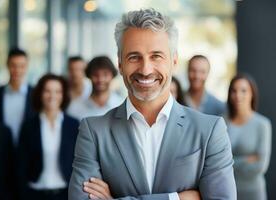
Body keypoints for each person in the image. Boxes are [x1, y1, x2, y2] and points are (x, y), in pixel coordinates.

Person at [68, 8, 236, 200]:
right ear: (120, 64)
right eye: (134, 57)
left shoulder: (210, 130)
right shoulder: (93, 131)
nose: (146, 69)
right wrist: (176, 198)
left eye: (156, 56)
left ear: (173, 60)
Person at [18, 74, 79, 200]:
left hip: (65, 194)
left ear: (63, 95)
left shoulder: (73, 125)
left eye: (57, 91)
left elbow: (79, 162)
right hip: (34, 194)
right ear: (40, 93)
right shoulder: (29, 126)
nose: (52, 96)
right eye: (47, 91)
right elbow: (21, 166)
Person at [225, 74, 271, 200]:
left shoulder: (262, 124)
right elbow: (215, 162)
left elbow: (261, 166)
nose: (238, 95)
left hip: (253, 192)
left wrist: (229, 163)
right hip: (226, 190)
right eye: (234, 91)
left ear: (252, 94)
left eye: (244, 91)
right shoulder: (221, 121)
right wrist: (246, 160)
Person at [0, 47, 35, 146]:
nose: (17, 70)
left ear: (27, 67)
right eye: (13, 65)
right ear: (7, 65)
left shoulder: (36, 94)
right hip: (2, 149)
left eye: (22, 66)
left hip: (28, 150)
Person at [67, 56, 124, 120]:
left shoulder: (122, 106)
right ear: (89, 76)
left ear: (112, 76)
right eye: (95, 75)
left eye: (105, 75)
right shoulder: (75, 107)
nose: (100, 79)